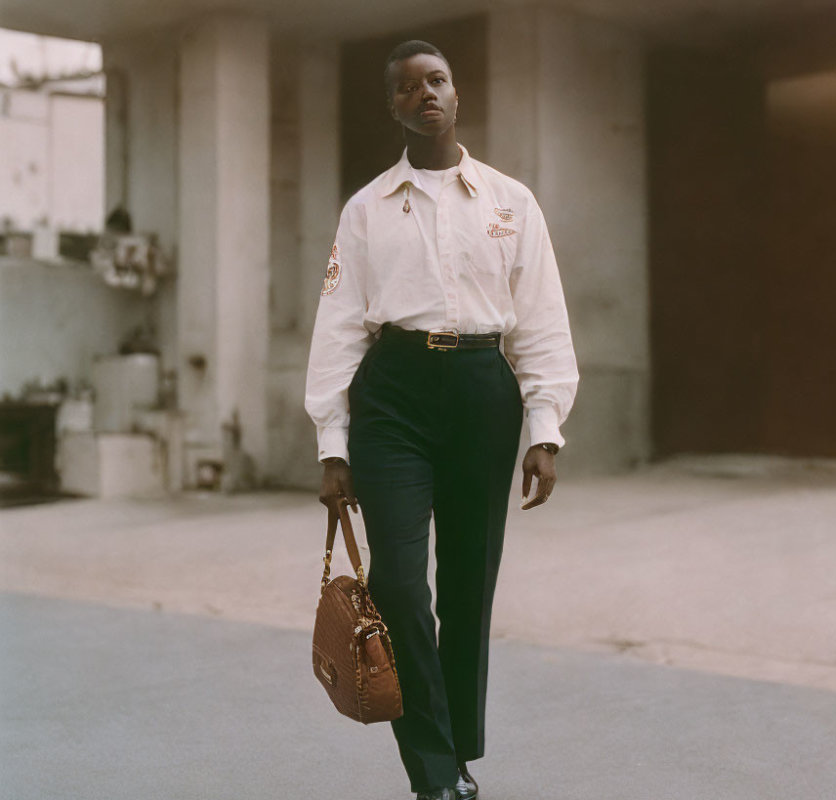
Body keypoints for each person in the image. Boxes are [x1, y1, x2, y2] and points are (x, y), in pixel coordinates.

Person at [305, 39, 578, 800]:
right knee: (397, 581)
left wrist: (544, 427)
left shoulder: (509, 202)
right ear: (392, 106)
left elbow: (541, 321)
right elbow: (337, 329)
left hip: (481, 393)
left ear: (457, 95)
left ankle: (456, 750)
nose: (425, 94)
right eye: (408, 87)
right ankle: (433, 772)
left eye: (437, 81)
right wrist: (332, 443)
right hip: (393, 397)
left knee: (468, 584)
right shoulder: (366, 210)